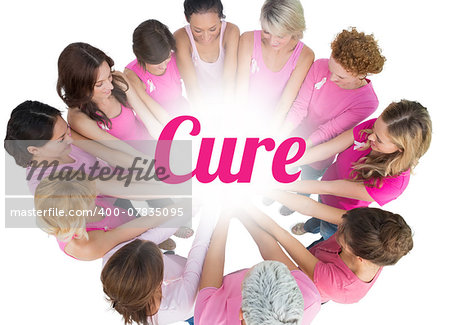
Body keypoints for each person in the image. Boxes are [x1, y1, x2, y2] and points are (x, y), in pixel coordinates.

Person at [276, 99, 432, 240]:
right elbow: (329, 148)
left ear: (400, 148)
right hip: (324, 190)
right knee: (316, 216)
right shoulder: (376, 130)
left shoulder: (392, 184)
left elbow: (330, 188)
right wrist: (284, 161)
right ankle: (308, 226)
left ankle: (310, 229)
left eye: (379, 139)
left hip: (340, 211)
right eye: (375, 128)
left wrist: (278, 183)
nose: (370, 136)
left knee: (326, 233)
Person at [278, 27, 385, 215]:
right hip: (295, 133)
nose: (332, 77)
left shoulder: (368, 102)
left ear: (361, 74)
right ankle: (275, 192)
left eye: (341, 77)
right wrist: (280, 135)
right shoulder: (319, 65)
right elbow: (299, 106)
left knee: (307, 179)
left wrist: (302, 147)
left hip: (322, 149)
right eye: (331, 69)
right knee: (279, 169)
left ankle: (296, 200)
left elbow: (330, 130)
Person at [246, 205, 413, 304]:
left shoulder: (336, 283)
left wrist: (244, 212)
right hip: (321, 257)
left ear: (359, 256)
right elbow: (311, 207)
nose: (339, 226)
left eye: (343, 233)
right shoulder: (374, 243)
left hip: (297, 290)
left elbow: (274, 247)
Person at [194, 210, 321, 324]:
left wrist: (224, 217)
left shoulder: (208, 319)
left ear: (241, 313)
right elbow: (272, 250)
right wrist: (242, 213)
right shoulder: (309, 298)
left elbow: (214, 259)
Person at [101, 204, 219, 324]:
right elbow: (198, 254)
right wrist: (210, 210)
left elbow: (155, 234)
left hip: (159, 276)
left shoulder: (113, 257)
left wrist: (191, 208)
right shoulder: (180, 304)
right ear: (159, 282)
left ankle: (168, 254)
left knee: (178, 263)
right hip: (193, 310)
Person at [34, 173, 180, 260]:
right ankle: (161, 244)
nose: (96, 193)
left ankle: (162, 236)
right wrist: (180, 208)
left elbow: (126, 191)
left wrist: (170, 189)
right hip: (124, 246)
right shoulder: (85, 245)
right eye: (92, 196)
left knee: (138, 220)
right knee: (144, 244)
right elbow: (134, 228)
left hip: (121, 219)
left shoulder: (74, 192)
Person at [57, 42, 163, 157]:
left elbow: (148, 119)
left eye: (109, 76)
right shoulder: (78, 117)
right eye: (99, 84)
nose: (111, 86)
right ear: (79, 86)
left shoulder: (117, 79)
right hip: (131, 162)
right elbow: (119, 148)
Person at [236, 0, 314, 128]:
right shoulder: (248, 40)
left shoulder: (305, 56)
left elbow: (284, 105)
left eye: (280, 35)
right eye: (266, 31)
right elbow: (240, 93)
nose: (273, 41)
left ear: (294, 30)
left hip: (274, 122)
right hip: (243, 115)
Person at [174, 0, 240, 106]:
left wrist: (228, 110)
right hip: (200, 103)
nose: (206, 37)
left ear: (220, 17)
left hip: (231, 99)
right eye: (198, 31)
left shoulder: (231, 31)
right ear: (187, 19)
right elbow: (192, 87)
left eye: (212, 29)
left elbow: (229, 80)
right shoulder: (181, 38)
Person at [125, 19, 190, 122]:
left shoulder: (176, 57)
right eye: (156, 62)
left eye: (167, 57)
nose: (164, 66)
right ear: (140, 56)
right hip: (154, 121)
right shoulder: (132, 74)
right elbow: (146, 106)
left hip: (181, 110)